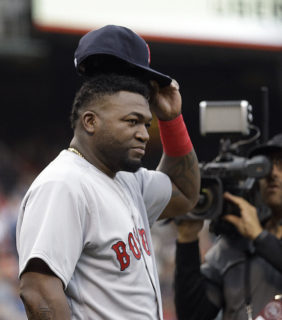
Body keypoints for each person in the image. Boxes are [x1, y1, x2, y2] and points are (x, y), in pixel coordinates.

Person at [16, 25, 200, 320]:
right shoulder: (65, 183)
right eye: (132, 122)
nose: (143, 134)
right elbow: (38, 292)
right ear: (90, 122)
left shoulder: (128, 178)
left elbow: (186, 193)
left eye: (145, 123)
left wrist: (172, 121)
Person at [174, 133, 282, 320]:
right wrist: (187, 239)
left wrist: (259, 236)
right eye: (266, 165)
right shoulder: (236, 244)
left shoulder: (253, 235)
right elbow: (192, 315)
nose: (272, 173)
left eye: (281, 164)